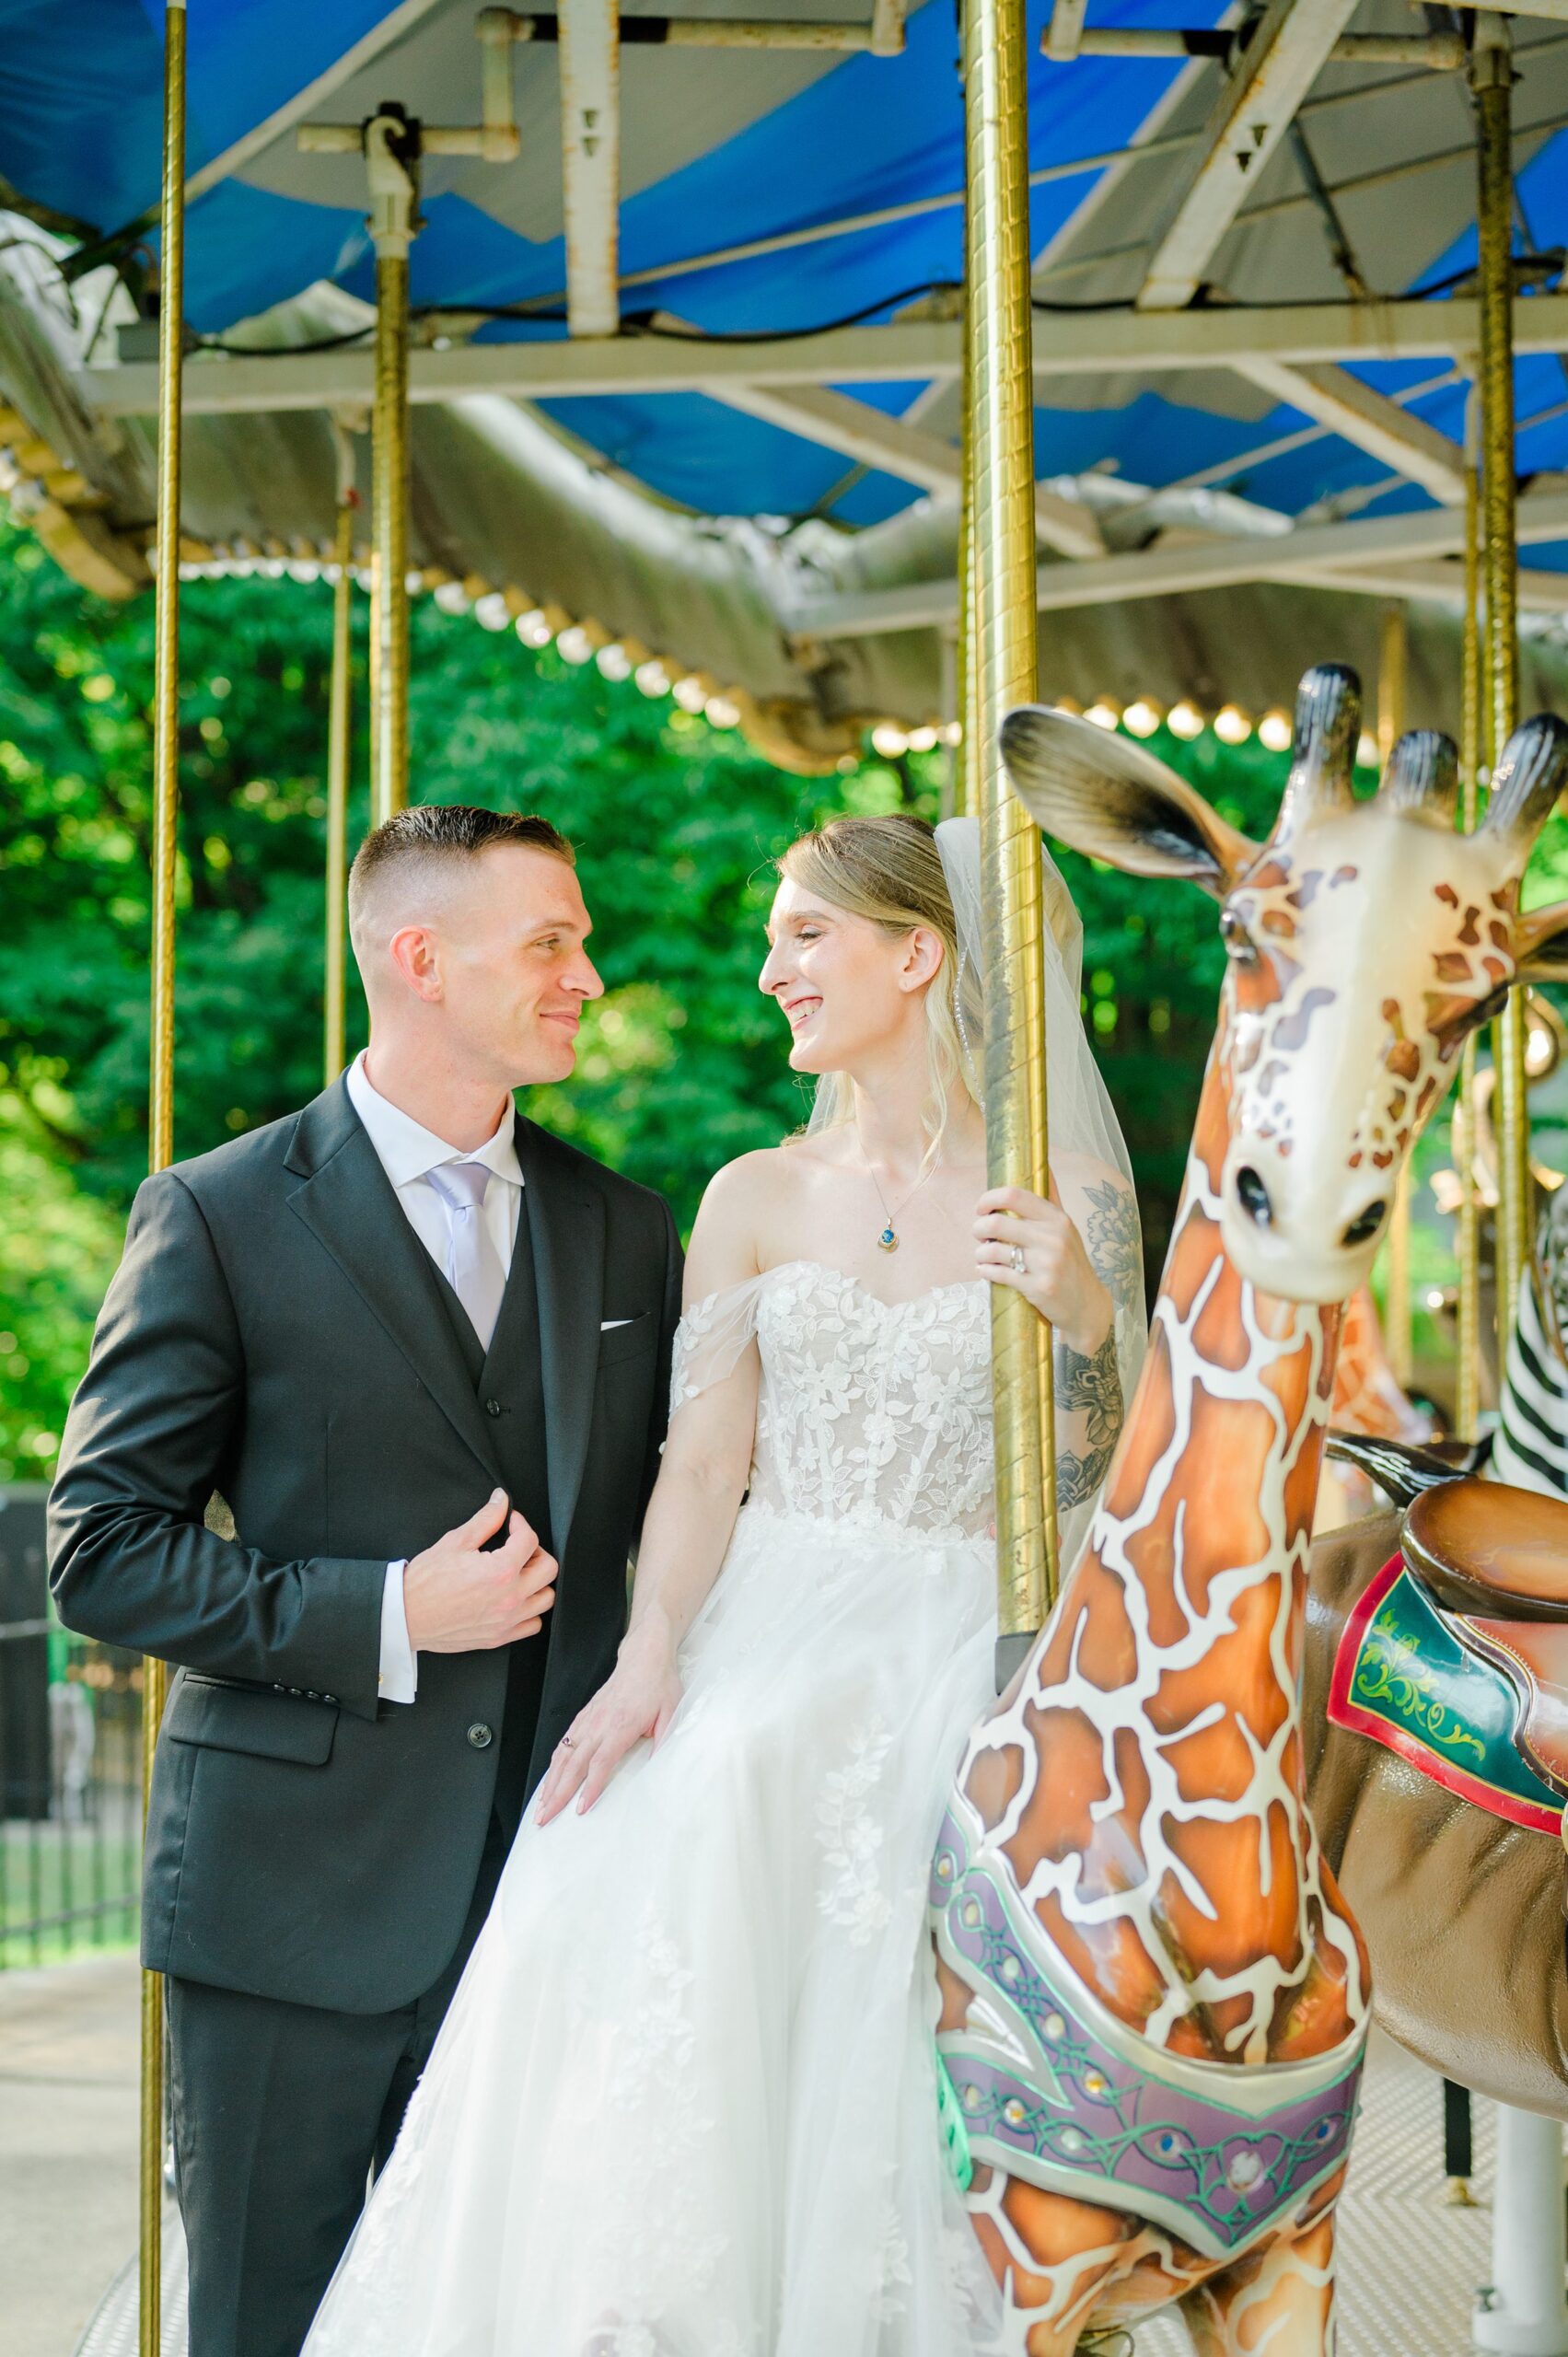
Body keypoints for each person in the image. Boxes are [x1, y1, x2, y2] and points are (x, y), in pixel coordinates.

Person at [302, 810, 1145, 2357]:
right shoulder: (751, 1193)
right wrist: (654, 1651)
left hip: (969, 1630)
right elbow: (701, 1468)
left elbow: (1116, 1477)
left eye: (805, 936)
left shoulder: (1066, 1187)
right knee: (666, 1825)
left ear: (918, 953)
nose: (771, 974)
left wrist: (1087, 1314)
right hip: (772, 1608)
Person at [47, 806, 683, 2357]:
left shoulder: (627, 1230)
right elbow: (101, 1550)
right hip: (290, 1914)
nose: (587, 977)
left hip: (552, 1911)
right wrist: (387, 1613)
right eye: (551, 941)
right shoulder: (220, 1214)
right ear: (421, 959)